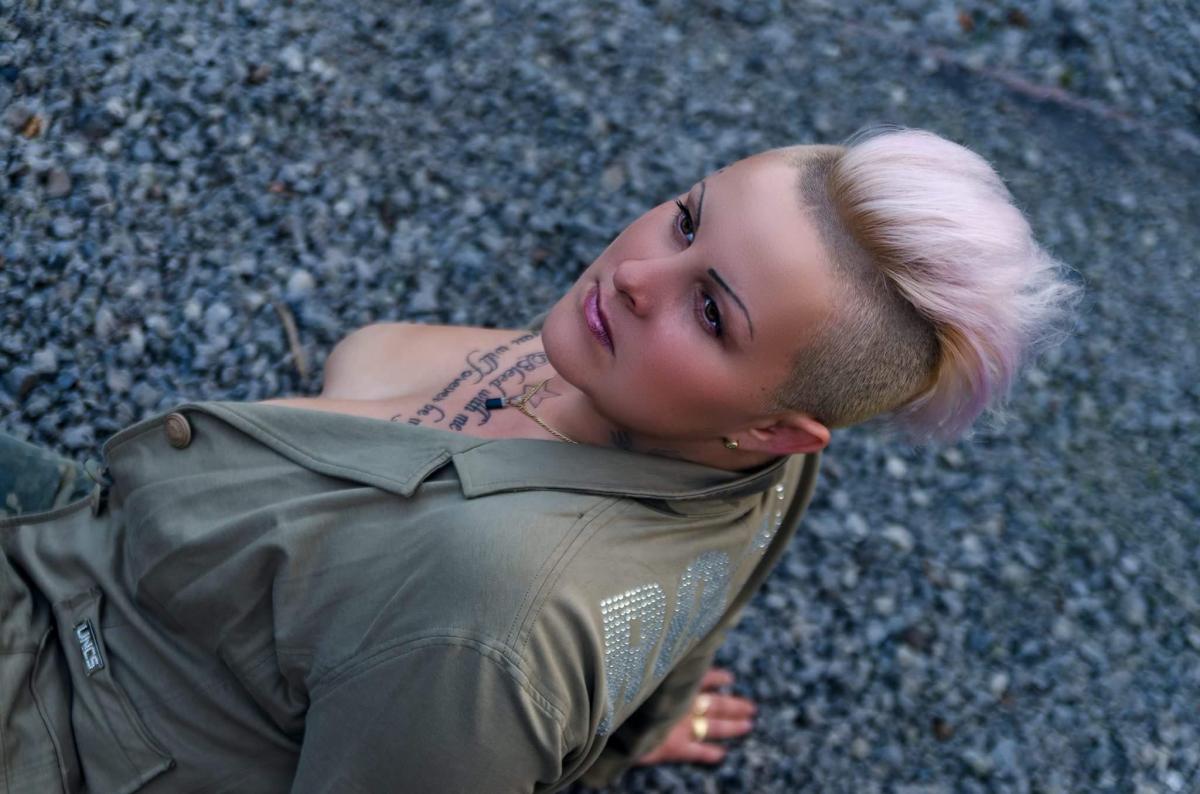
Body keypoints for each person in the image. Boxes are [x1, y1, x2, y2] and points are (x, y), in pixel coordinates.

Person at [0, 127, 1074, 792]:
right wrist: (632, 730)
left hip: (62, 707)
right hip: (98, 570)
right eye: (686, 220)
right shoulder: (735, 453)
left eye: (711, 310)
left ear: (776, 433)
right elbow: (704, 598)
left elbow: (489, 646)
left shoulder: (486, 622)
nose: (638, 274)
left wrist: (514, 708)